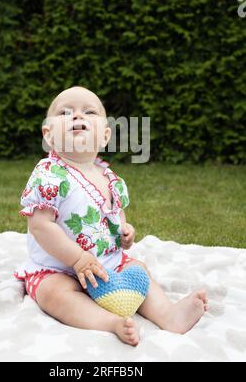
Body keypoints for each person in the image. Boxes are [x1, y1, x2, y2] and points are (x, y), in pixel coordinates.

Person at [14, 86, 208, 346]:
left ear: (104, 136)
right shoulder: (49, 173)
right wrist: (78, 258)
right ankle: (109, 322)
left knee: (139, 271)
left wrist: (125, 231)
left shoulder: (110, 178)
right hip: (59, 269)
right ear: (48, 135)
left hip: (108, 265)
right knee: (52, 294)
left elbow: (116, 214)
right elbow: (40, 226)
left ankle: (168, 315)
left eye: (89, 111)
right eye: (65, 112)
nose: (77, 116)